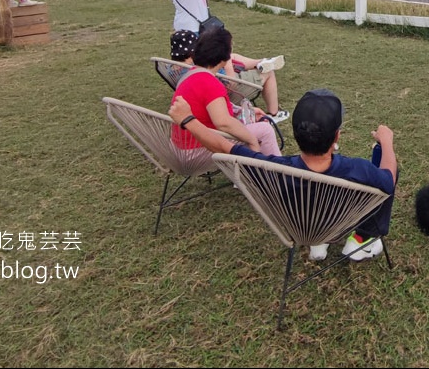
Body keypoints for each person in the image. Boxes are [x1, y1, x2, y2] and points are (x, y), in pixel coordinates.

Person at [169, 87, 396, 262]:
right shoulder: (356, 169)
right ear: (336, 136)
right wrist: (386, 143)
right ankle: (362, 239)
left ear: (296, 135)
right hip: (339, 225)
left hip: (300, 228)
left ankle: (318, 244)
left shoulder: (272, 168)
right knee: (387, 172)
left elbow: (221, 146)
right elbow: (388, 179)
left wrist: (188, 120)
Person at [169, 26, 282, 157]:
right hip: (196, 150)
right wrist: (251, 139)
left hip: (183, 146)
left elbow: (213, 112)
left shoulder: (191, 74)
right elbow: (223, 123)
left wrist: (243, 112)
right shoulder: (210, 83)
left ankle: (262, 169)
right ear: (224, 58)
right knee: (265, 130)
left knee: (255, 129)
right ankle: (277, 173)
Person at [169, 29, 289, 124]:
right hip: (228, 88)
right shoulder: (199, 73)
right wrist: (228, 64)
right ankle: (274, 114)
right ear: (191, 52)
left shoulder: (173, 68)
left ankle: (260, 62)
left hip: (218, 78)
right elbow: (230, 83)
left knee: (232, 56)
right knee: (268, 72)